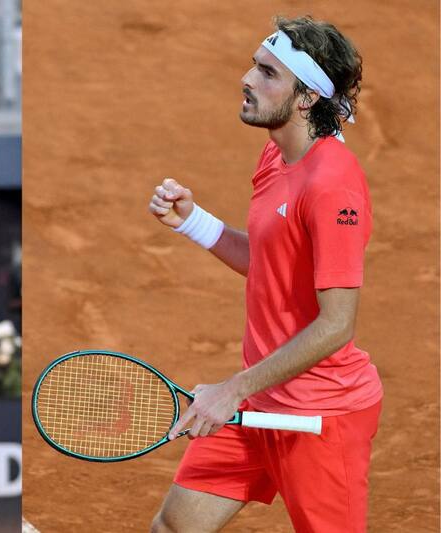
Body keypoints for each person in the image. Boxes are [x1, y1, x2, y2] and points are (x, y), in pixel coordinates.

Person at [148, 16, 382, 533]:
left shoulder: (333, 185)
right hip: (261, 397)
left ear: (305, 99)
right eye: (255, 66)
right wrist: (194, 222)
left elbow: (337, 324)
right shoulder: (276, 156)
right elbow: (271, 262)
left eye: (266, 73)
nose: (247, 79)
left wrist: (231, 390)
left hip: (321, 417)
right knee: (174, 527)